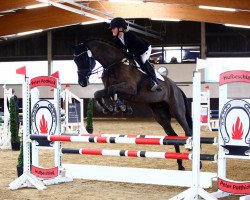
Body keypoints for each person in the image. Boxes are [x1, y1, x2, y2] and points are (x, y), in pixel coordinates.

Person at [109, 17, 162, 92]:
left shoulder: (131, 36)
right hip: (134, 51)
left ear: (120, 28)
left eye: (113, 28)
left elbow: (143, 49)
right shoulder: (116, 40)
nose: (112, 30)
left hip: (145, 48)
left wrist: (133, 55)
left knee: (142, 60)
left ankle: (154, 81)